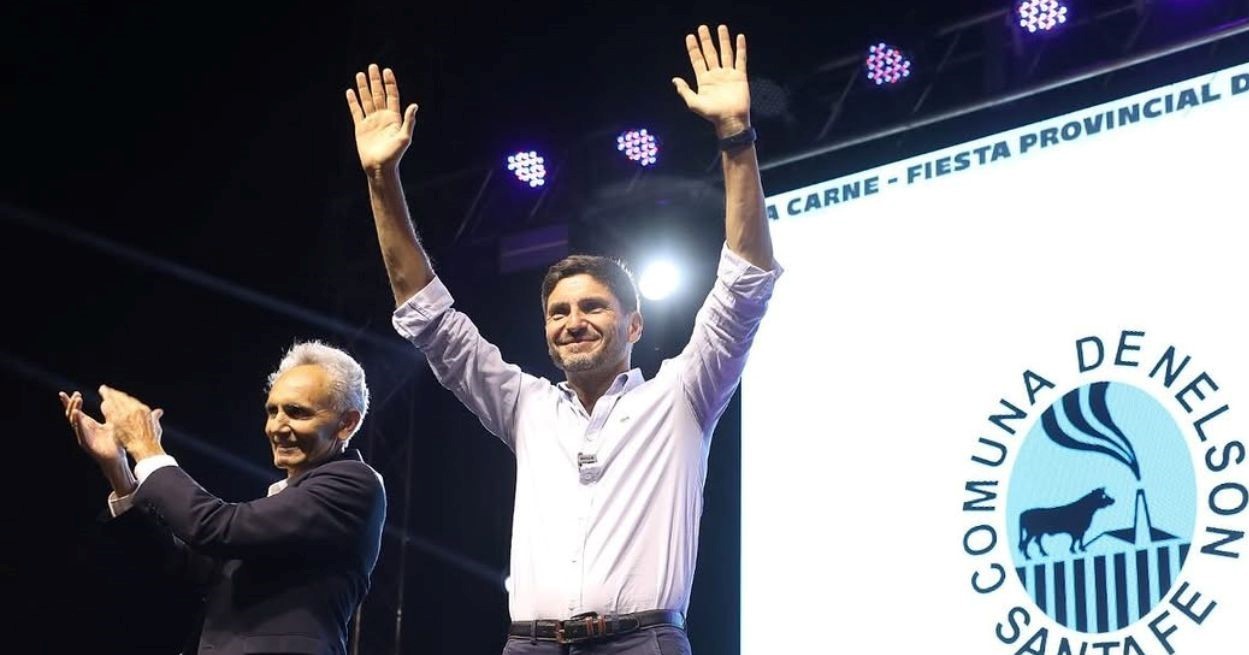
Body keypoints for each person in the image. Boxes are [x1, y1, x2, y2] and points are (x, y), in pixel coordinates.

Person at [346, 23, 778, 654]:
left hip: (641, 642)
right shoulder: (526, 406)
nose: (573, 321)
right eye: (558, 312)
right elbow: (430, 316)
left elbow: (746, 283)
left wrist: (736, 138)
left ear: (634, 325)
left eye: (593, 307)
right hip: (531, 645)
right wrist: (381, 178)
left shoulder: (683, 395)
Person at [60, 340, 386, 655]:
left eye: (297, 412)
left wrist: (145, 447)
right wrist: (118, 469)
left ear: (347, 424)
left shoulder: (353, 484)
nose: (276, 427)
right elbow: (186, 565)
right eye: (272, 411)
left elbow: (214, 527)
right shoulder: (280, 507)